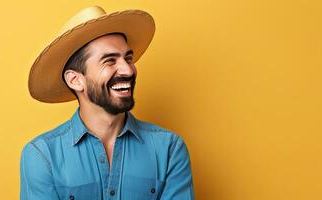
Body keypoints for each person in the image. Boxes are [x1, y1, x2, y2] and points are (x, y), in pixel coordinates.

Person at [20, 6, 194, 200]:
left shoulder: (169, 149)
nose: (128, 70)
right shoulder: (42, 156)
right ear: (75, 80)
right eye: (110, 61)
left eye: (128, 58)